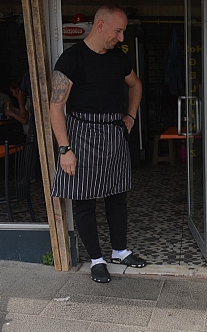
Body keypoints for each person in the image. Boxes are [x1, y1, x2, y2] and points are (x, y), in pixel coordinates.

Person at [49, 4, 145, 283]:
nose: (122, 38)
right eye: (118, 31)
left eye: (124, 32)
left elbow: (136, 85)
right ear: (100, 26)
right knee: (85, 201)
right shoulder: (72, 58)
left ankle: (120, 250)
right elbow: (56, 108)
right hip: (81, 134)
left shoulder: (118, 59)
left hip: (113, 131)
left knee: (117, 197)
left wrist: (130, 115)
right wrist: (64, 149)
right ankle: (96, 259)